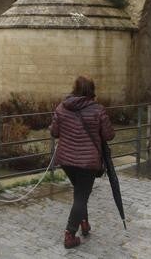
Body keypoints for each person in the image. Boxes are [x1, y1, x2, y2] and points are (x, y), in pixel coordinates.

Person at [50, 76, 115, 249]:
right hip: (87, 163)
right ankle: (70, 235)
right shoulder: (98, 110)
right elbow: (109, 135)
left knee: (80, 194)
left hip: (66, 161)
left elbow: (54, 132)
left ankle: (84, 223)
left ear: (74, 89)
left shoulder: (62, 107)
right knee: (81, 197)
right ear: (91, 91)